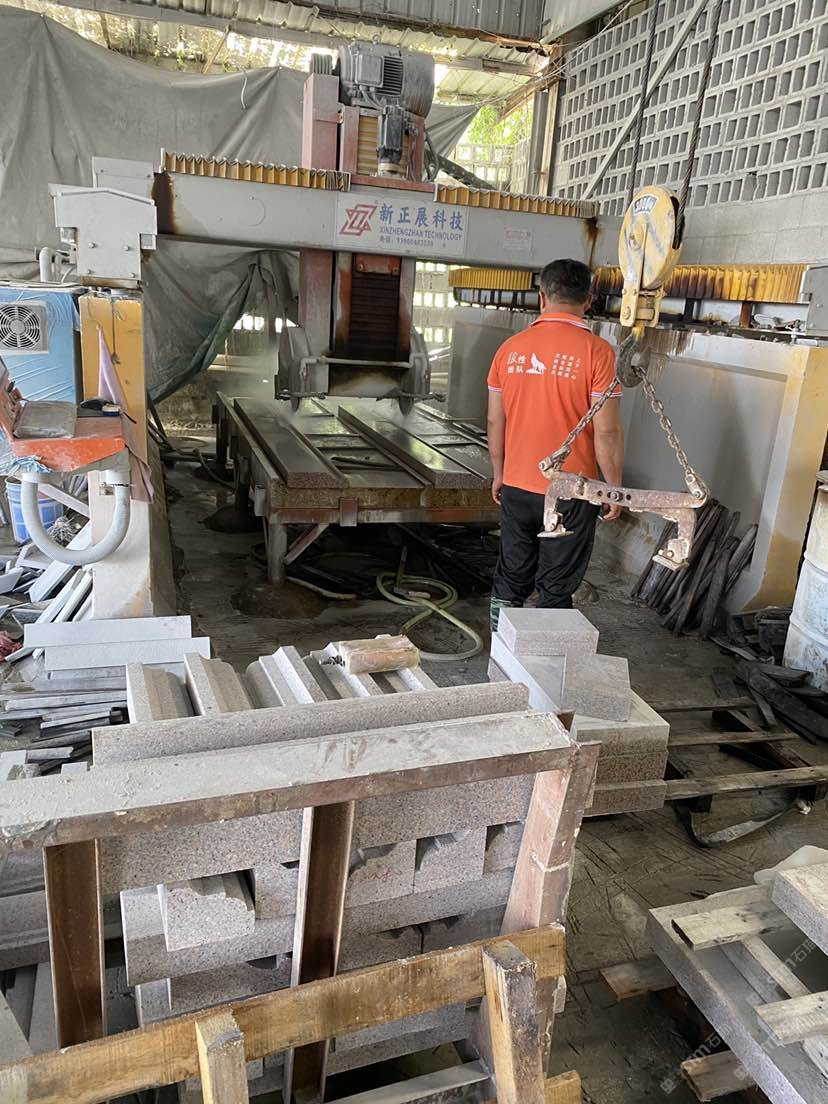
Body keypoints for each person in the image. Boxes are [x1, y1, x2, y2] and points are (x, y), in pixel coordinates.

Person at [486, 258, 624, 631]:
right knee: (556, 584)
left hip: (517, 484)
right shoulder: (598, 353)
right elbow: (607, 432)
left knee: (511, 575)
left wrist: (499, 473)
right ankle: (544, 654)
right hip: (571, 492)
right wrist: (612, 487)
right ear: (589, 300)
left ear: (542, 296)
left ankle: (501, 645)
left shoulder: (510, 349)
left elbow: (495, 420)